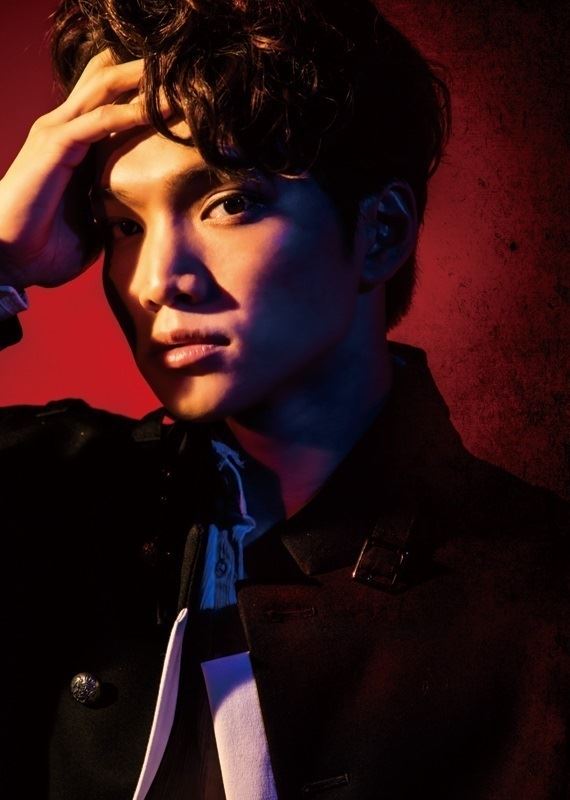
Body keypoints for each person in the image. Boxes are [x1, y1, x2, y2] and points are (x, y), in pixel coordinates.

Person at [0, 0, 567, 798]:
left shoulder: (539, 598)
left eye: (229, 203)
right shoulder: (46, 500)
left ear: (381, 232)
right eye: (122, 225)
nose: (159, 279)